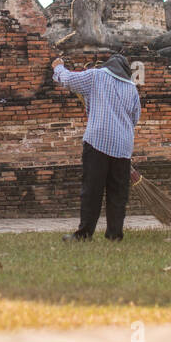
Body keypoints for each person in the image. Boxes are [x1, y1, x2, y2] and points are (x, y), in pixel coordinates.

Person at [51, 54, 141, 241]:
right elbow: (134, 118)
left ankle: (84, 234)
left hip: (98, 142)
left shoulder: (96, 76)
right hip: (123, 145)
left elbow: (68, 80)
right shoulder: (132, 89)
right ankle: (114, 235)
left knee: (92, 190)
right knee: (118, 193)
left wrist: (58, 67)